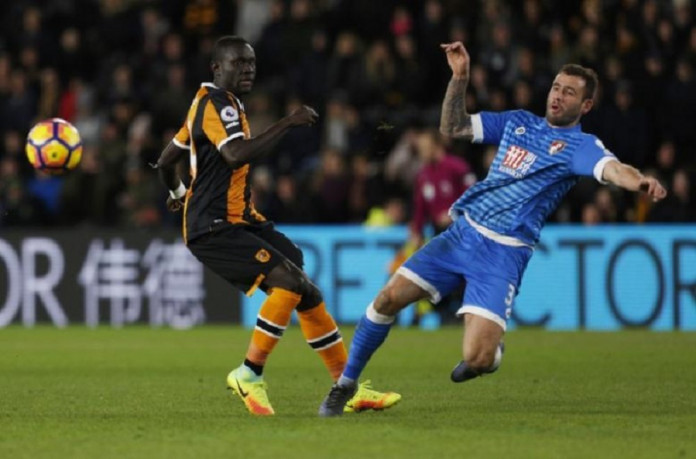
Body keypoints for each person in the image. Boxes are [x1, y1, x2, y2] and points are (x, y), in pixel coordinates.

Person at [318, 41, 667, 417]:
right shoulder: (518, 122)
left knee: (477, 357)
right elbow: (453, 126)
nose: (558, 96)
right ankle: (345, 385)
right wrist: (460, 78)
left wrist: (639, 181)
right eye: (556, 87)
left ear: (585, 106)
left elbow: (613, 168)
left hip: (503, 254)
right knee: (387, 299)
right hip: (462, 235)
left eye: (570, 92)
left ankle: (490, 355)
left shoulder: (579, 146)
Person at [155, 36, 400, 416]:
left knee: (305, 287)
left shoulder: (213, 103)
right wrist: (287, 123)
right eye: (239, 62)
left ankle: (345, 385)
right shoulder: (215, 104)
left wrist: (177, 192)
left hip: (241, 219)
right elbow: (234, 155)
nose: (248, 68)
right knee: (288, 280)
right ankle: (248, 374)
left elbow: (168, 157)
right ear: (216, 68)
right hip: (213, 226)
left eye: (251, 62)